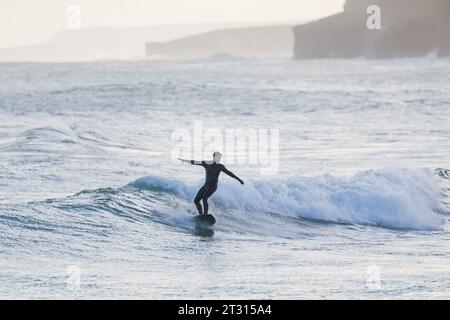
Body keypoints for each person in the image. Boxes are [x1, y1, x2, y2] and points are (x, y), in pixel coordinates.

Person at [178, 152, 244, 215]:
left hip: (213, 186)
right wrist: (184, 160)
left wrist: (238, 179)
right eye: (218, 157)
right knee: (196, 200)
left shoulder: (220, 166)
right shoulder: (206, 163)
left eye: (220, 158)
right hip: (205, 186)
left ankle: (205, 214)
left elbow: (229, 173)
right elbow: (194, 162)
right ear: (214, 157)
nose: (219, 159)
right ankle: (201, 215)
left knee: (204, 198)